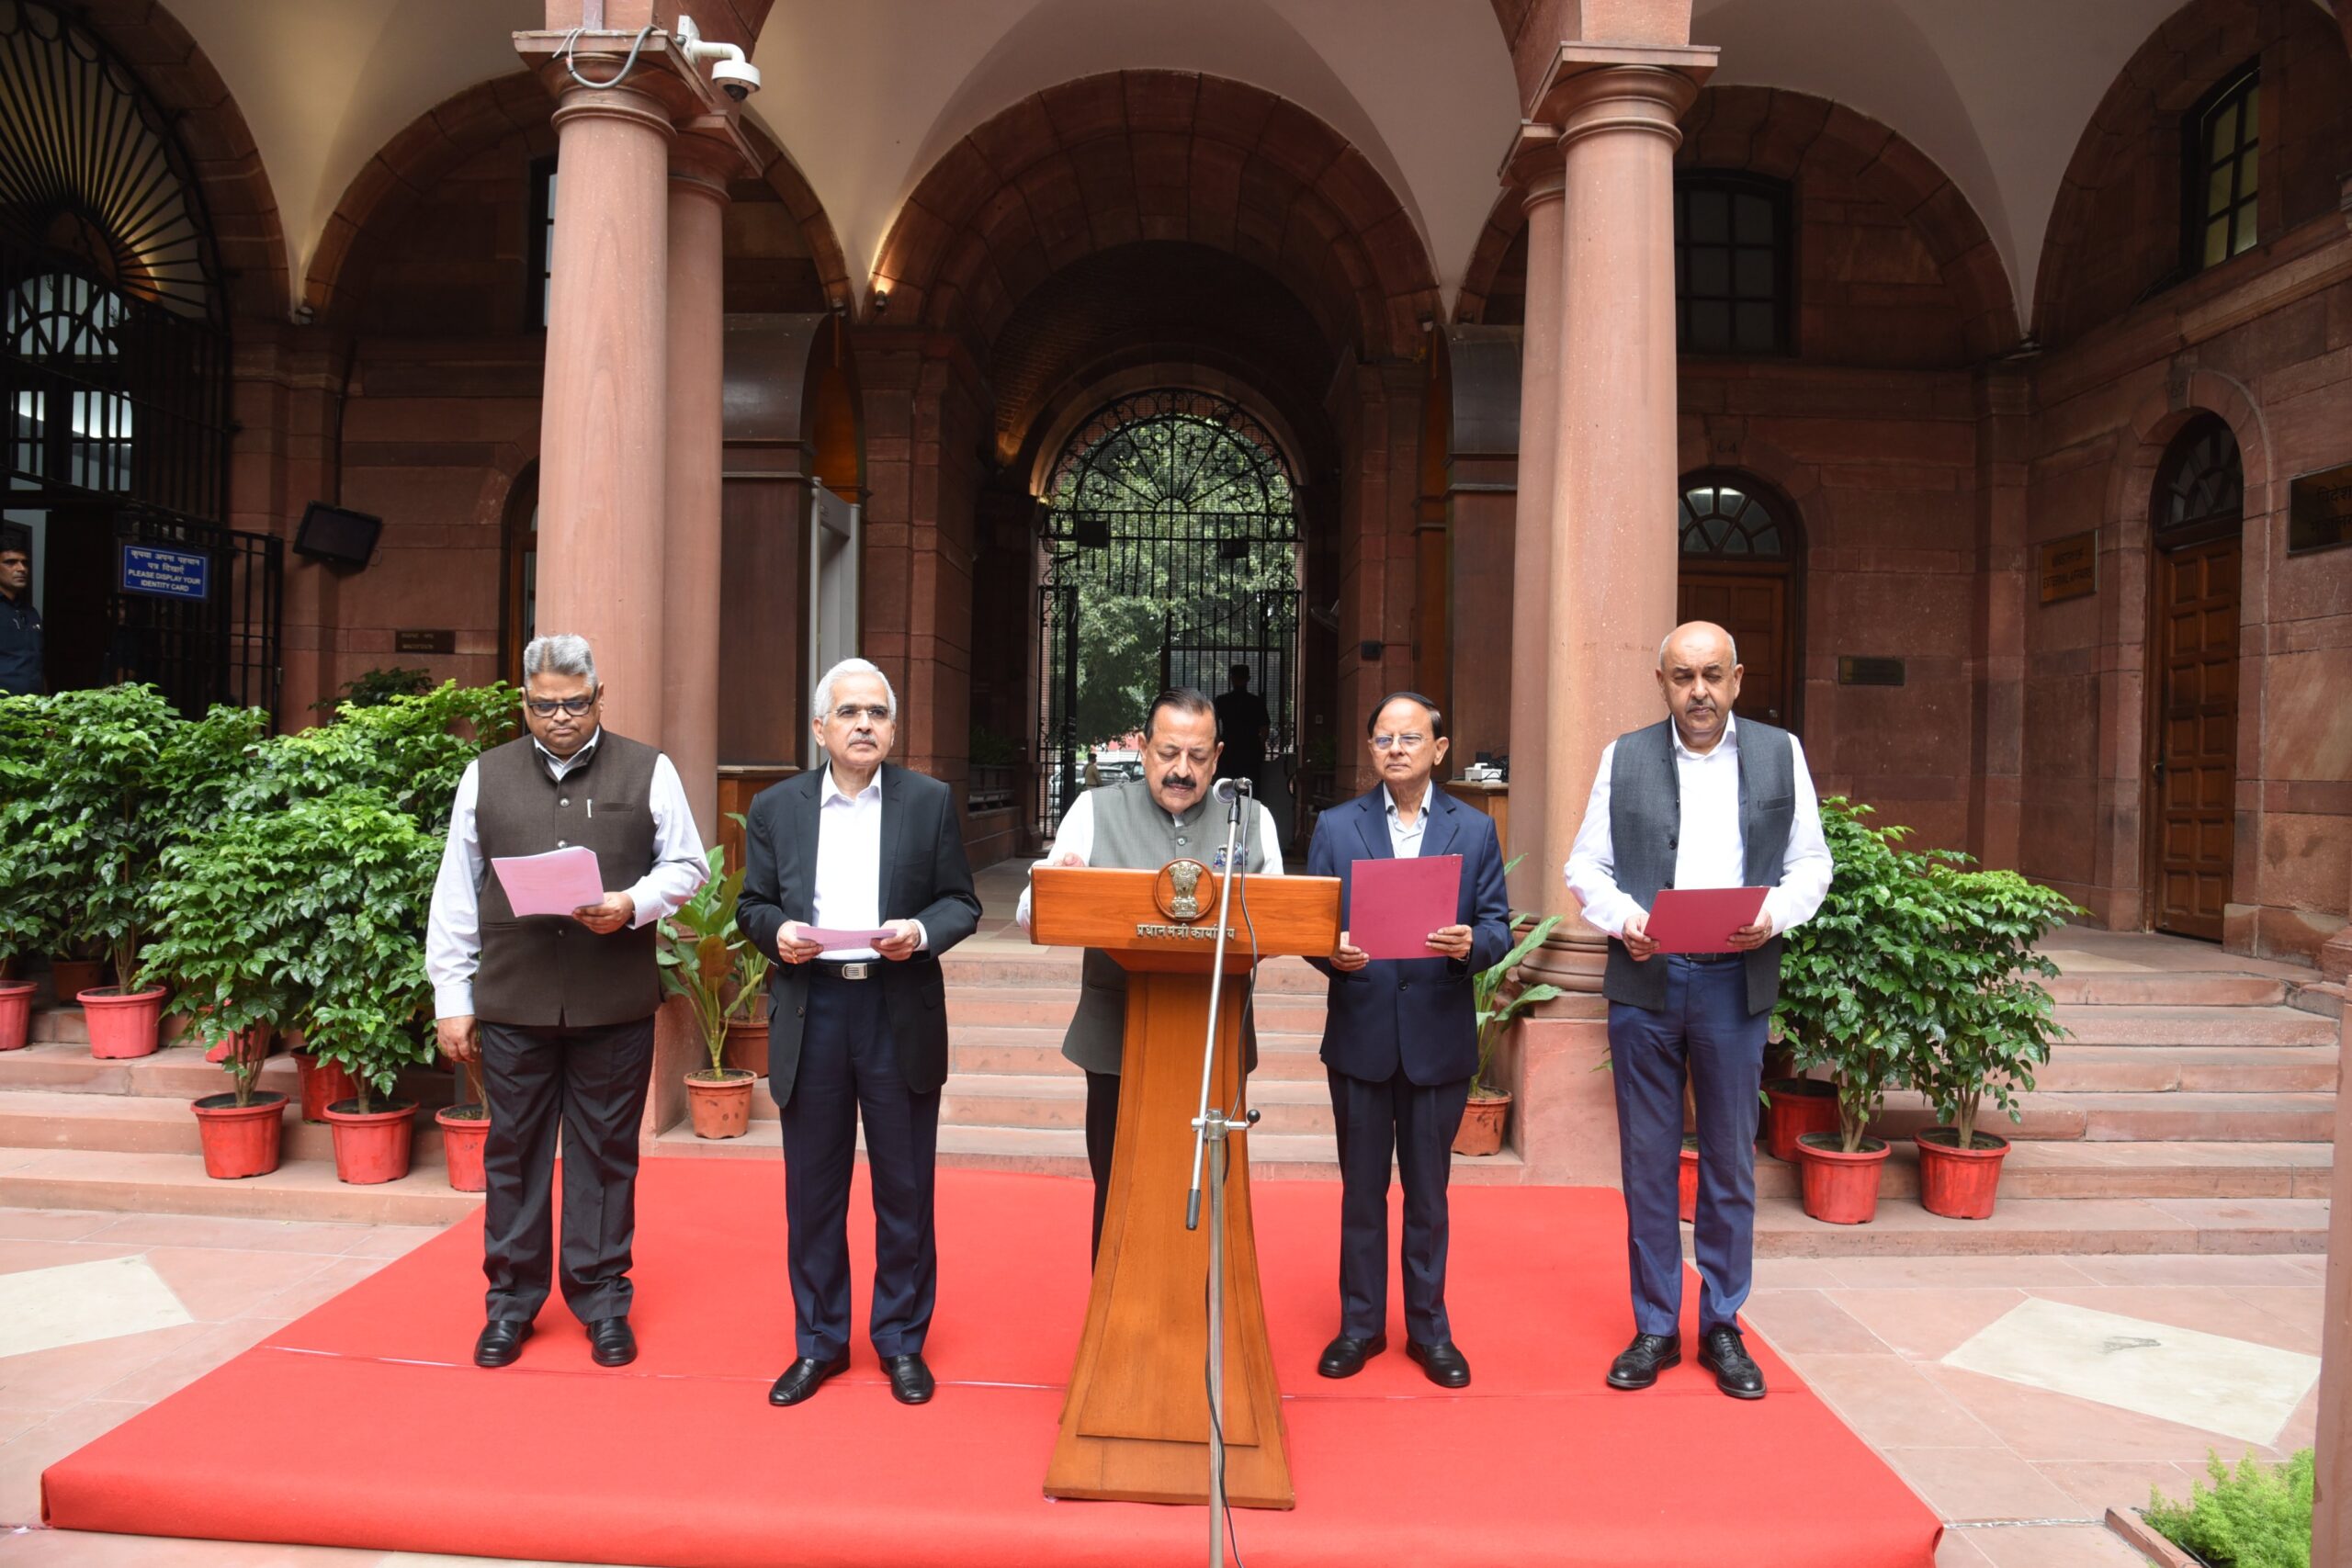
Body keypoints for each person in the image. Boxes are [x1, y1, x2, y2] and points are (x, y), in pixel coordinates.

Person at [426, 633, 709, 1371]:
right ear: (524, 702)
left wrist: (633, 901)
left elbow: (688, 864)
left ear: (598, 699)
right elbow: (456, 889)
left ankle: (603, 1300)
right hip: (513, 1001)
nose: (560, 716)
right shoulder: (484, 776)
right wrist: (450, 995)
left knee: (606, 1154)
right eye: (545, 704)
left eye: (574, 703)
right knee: (514, 1154)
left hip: (611, 1001)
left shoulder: (649, 767)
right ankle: (511, 1304)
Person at [1566, 621, 1832, 1401]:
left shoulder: (1781, 754)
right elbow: (1587, 862)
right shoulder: (1626, 755)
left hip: (1733, 978)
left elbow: (1810, 860)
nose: (1699, 692)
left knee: (1728, 1160)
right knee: (1647, 1162)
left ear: (1738, 679)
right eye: (1683, 677)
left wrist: (1776, 916)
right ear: (1662, 681)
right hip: (1648, 976)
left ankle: (1722, 1322)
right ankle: (1655, 1323)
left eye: (1713, 675)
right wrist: (1624, 918)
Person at [737, 658, 981, 1409]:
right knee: (813, 1192)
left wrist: (920, 929)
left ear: (893, 727)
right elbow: (751, 905)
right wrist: (779, 934)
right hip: (813, 1009)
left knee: (904, 1190)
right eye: (849, 713)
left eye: (877, 712)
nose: (865, 724)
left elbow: (962, 902)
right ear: (821, 728)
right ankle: (819, 1341)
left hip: (895, 1007)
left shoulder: (929, 802)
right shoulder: (776, 808)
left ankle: (902, 1339)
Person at [1016, 686, 1287, 1258]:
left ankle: (1205, 1327)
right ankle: (1113, 1335)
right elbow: (1029, 912)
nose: (1181, 770)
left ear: (1217, 756)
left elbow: (1281, 918)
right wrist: (1057, 881)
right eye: (1167, 753)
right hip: (1115, 1036)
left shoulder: (1253, 820)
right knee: (1119, 1188)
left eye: (1195, 756)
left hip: (1213, 1035)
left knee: (1210, 1188)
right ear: (1142, 749)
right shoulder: (1094, 811)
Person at [1306, 692, 1509, 1389]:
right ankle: (1359, 1325)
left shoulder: (1475, 831)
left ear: (1439, 749)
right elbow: (1308, 922)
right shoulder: (1335, 826)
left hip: (1436, 1040)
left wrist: (1467, 946)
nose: (1397, 747)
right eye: (1384, 737)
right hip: (1360, 1035)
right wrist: (1328, 952)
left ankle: (1429, 1330)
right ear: (1371, 751)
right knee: (1362, 1193)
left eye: (1411, 736)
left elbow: (1498, 930)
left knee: (1429, 1195)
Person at [1211, 664, 1270, 784]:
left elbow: (1212, 723)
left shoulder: (1222, 701)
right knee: (1250, 787)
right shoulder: (1256, 702)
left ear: (1231, 678)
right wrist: (1261, 744)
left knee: (1226, 786)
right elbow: (1264, 728)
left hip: (1228, 749)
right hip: (1250, 750)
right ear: (1248, 679)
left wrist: (1215, 744)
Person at [0, 529, 42, 696]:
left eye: (24, 563)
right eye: (10, 562)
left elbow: (36, 663)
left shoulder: (30, 613)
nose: (21, 568)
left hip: (32, 712)